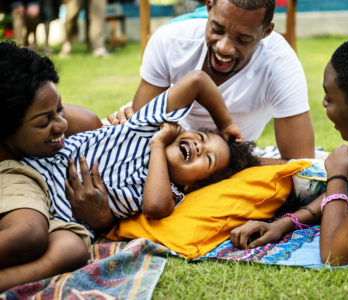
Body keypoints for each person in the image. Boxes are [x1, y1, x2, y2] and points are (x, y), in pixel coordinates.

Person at [230, 33, 348, 266]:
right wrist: (284, 224)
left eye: (329, 98)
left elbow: (337, 254)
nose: (323, 104)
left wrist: (336, 176)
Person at [21, 69, 260, 237]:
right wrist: (226, 124)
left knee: (58, 246)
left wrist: (158, 146)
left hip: (52, 211)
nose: (199, 147)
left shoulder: (170, 192)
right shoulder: (149, 125)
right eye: (200, 138)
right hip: (39, 161)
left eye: (208, 158)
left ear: (193, 187)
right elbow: (197, 80)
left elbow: (155, 207)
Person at [106, 0, 315, 161]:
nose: (224, 47)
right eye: (217, 29)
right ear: (209, 7)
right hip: (168, 145)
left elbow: (301, 163)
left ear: (266, 32)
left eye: (242, 39)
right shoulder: (170, 41)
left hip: (226, 158)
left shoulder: (280, 65)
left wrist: (228, 161)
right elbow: (139, 134)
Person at [0, 41, 91, 292]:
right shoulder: (11, 171)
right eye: (44, 122)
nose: (61, 124)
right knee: (30, 235)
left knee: (71, 248)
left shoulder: (76, 123)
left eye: (59, 108)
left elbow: (91, 126)